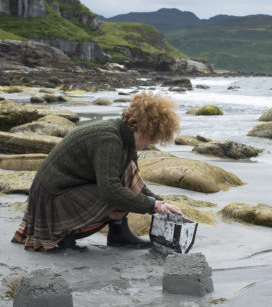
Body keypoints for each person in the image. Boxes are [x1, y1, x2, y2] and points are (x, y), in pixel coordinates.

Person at [11, 92, 182, 252]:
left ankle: (119, 234)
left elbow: (135, 184)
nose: (151, 142)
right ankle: (64, 234)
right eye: (151, 137)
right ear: (138, 125)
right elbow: (110, 191)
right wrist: (151, 205)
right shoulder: (109, 139)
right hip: (51, 197)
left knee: (128, 171)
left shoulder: (126, 140)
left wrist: (161, 204)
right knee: (115, 192)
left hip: (68, 189)